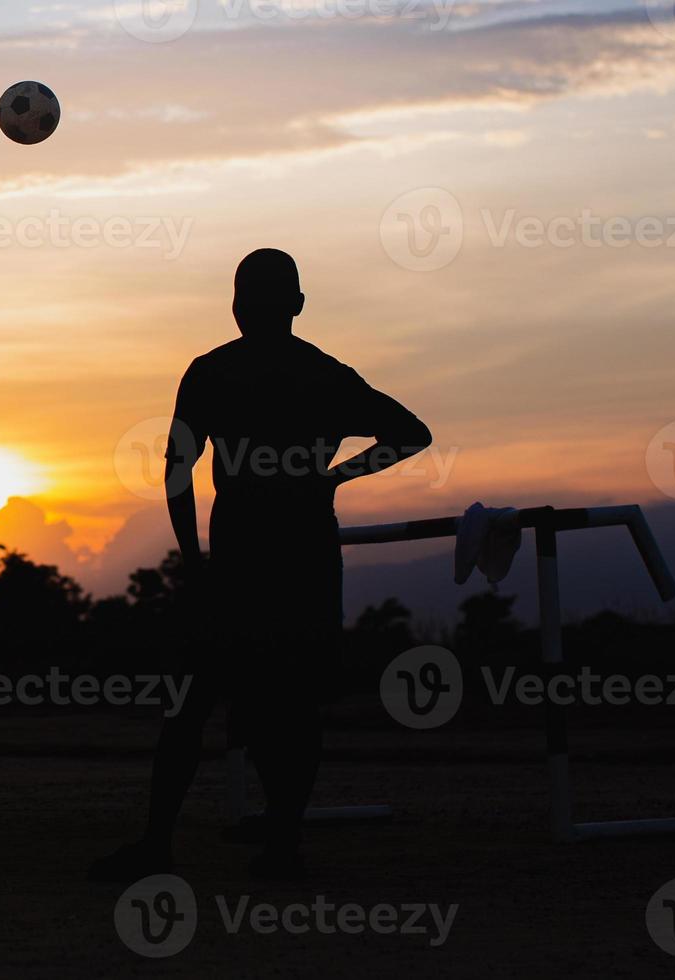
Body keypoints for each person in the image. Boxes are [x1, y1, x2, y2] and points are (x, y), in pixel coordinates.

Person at [91, 248, 432, 880]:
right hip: (300, 559)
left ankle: (164, 843)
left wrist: (193, 563)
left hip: (239, 563)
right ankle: (280, 846)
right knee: (290, 706)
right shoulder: (325, 376)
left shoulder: (213, 372)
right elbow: (412, 433)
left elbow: (175, 471)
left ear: (237, 305)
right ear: (297, 305)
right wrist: (333, 479)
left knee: (194, 703)